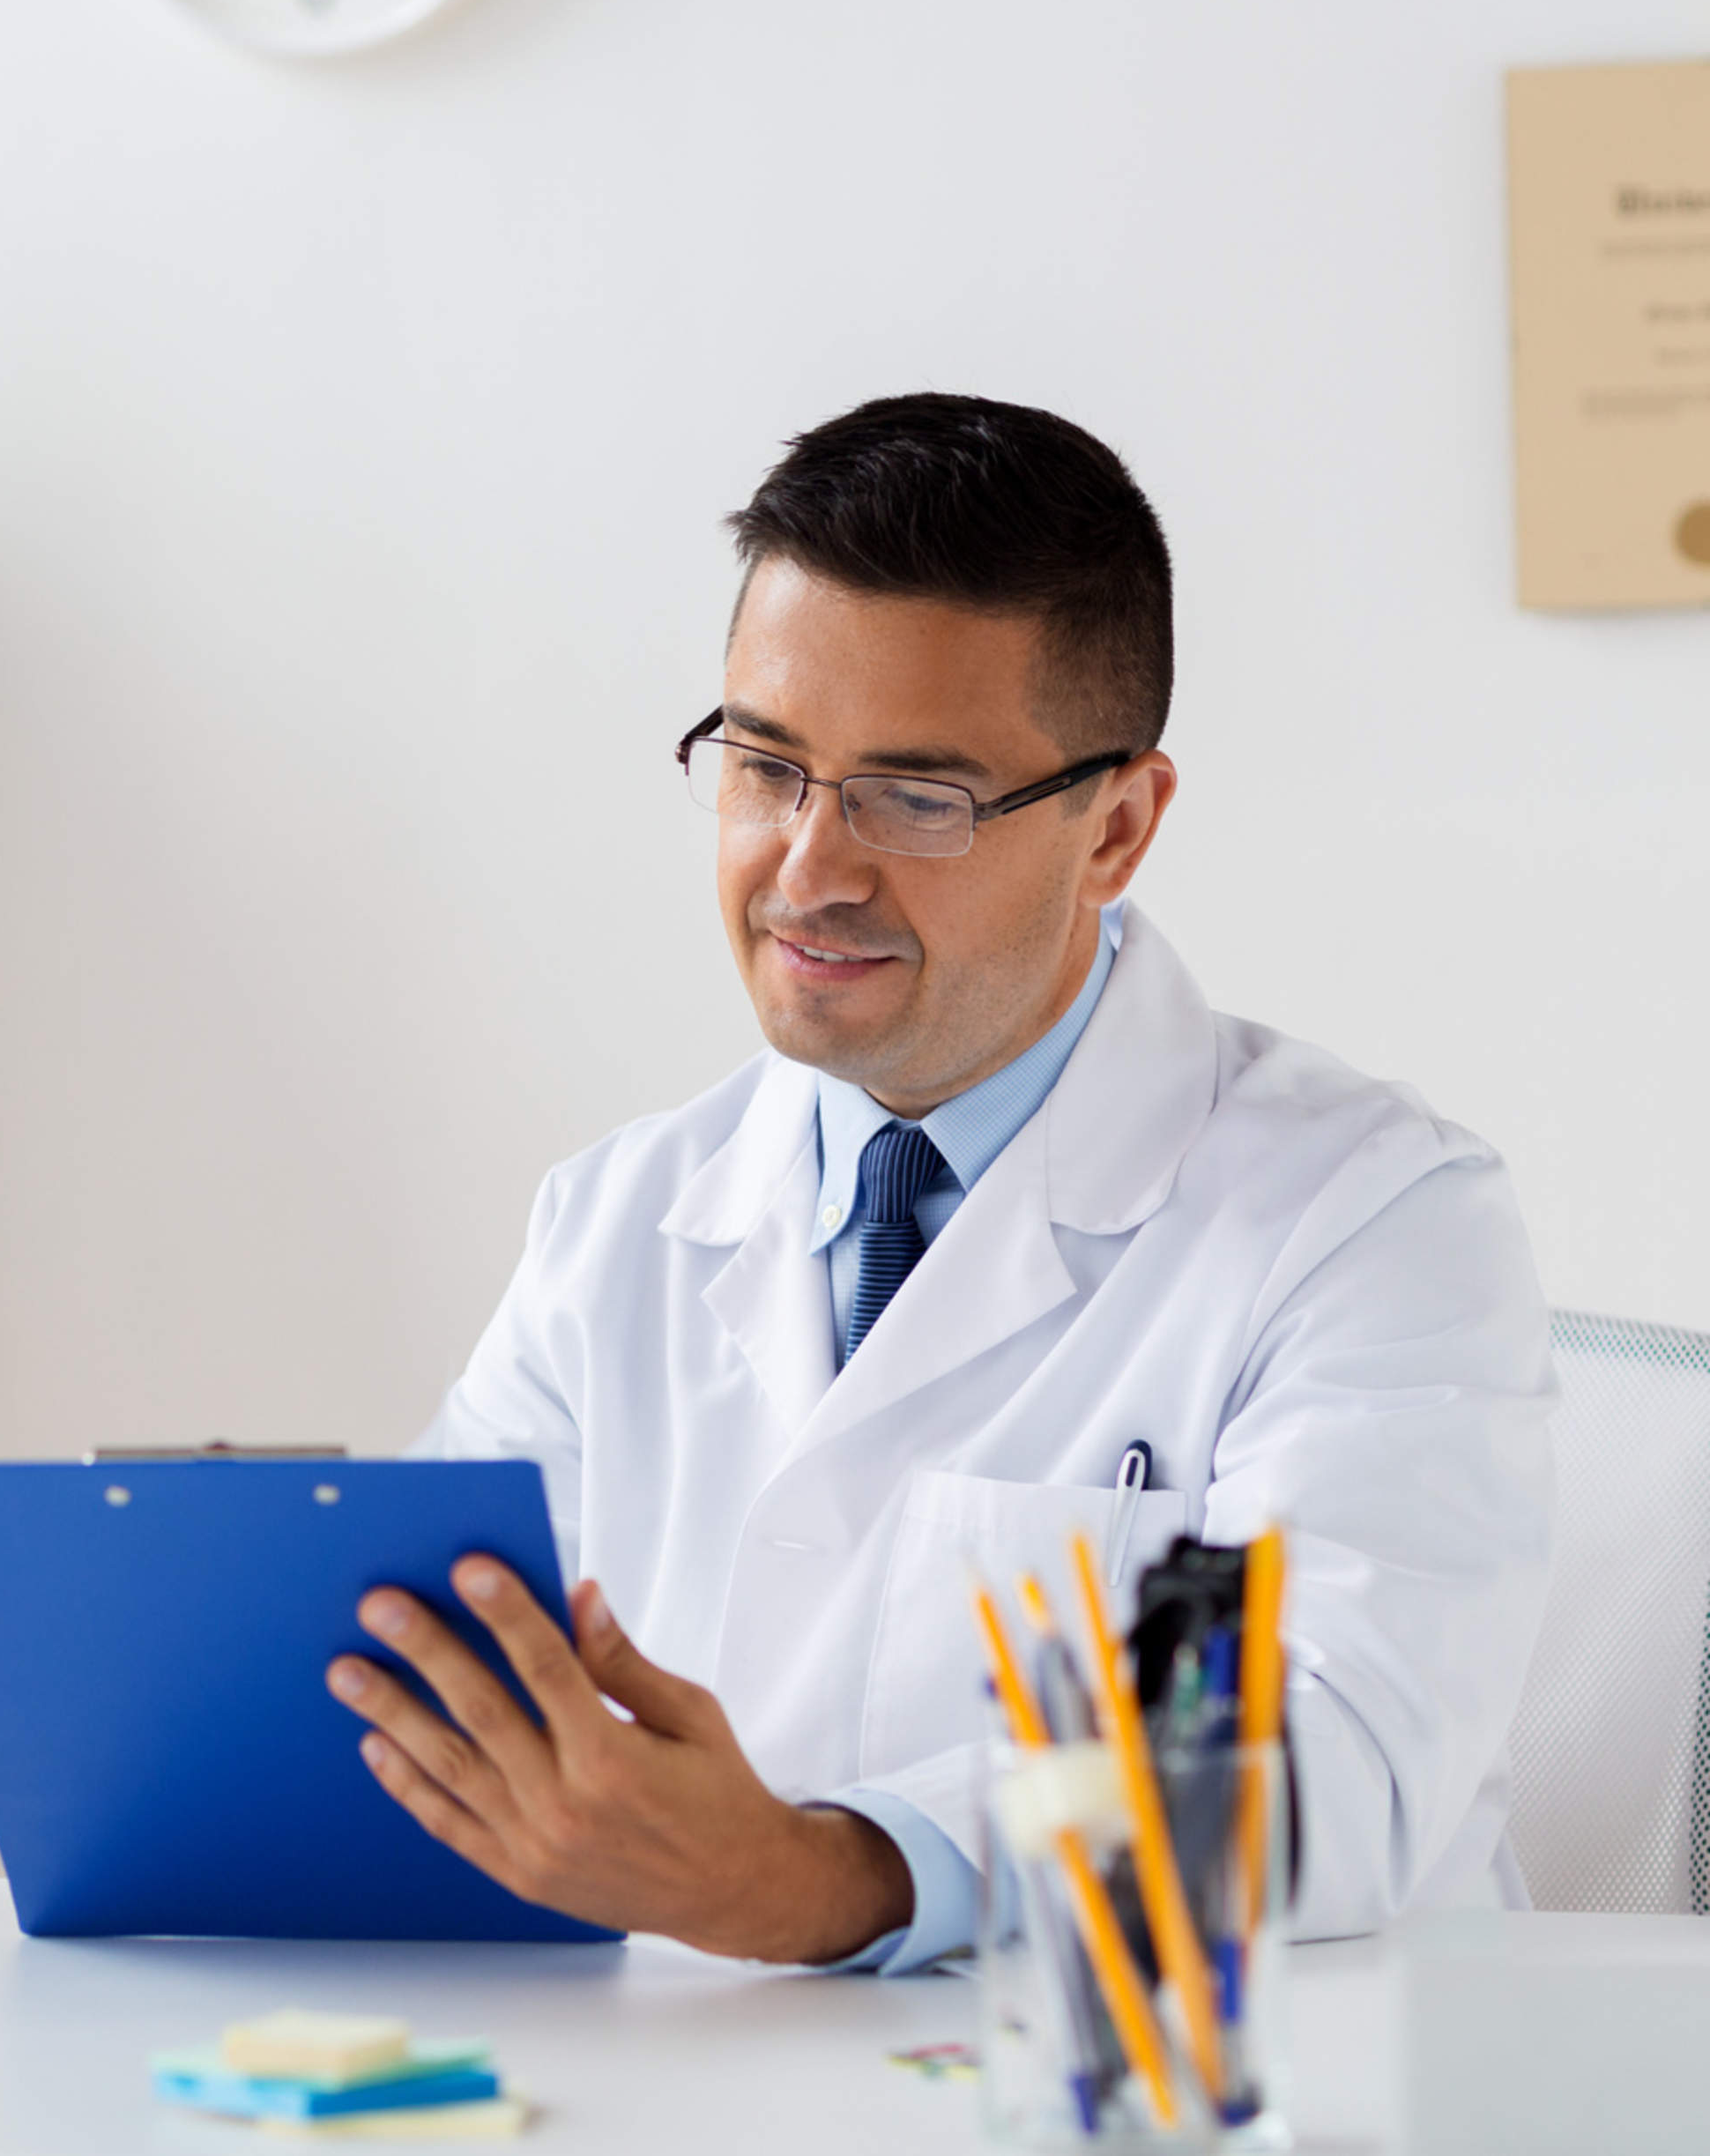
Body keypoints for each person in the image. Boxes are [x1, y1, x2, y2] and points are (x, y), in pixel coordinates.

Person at [326, 395, 1553, 1969]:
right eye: (767, 764)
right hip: (713, 2074)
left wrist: (831, 1879)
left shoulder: (1369, 1224)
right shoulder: (620, 1221)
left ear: (1116, 828)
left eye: (917, 799)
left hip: (1209, 2076)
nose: (809, 869)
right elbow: (416, 1679)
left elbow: (1328, 1757)